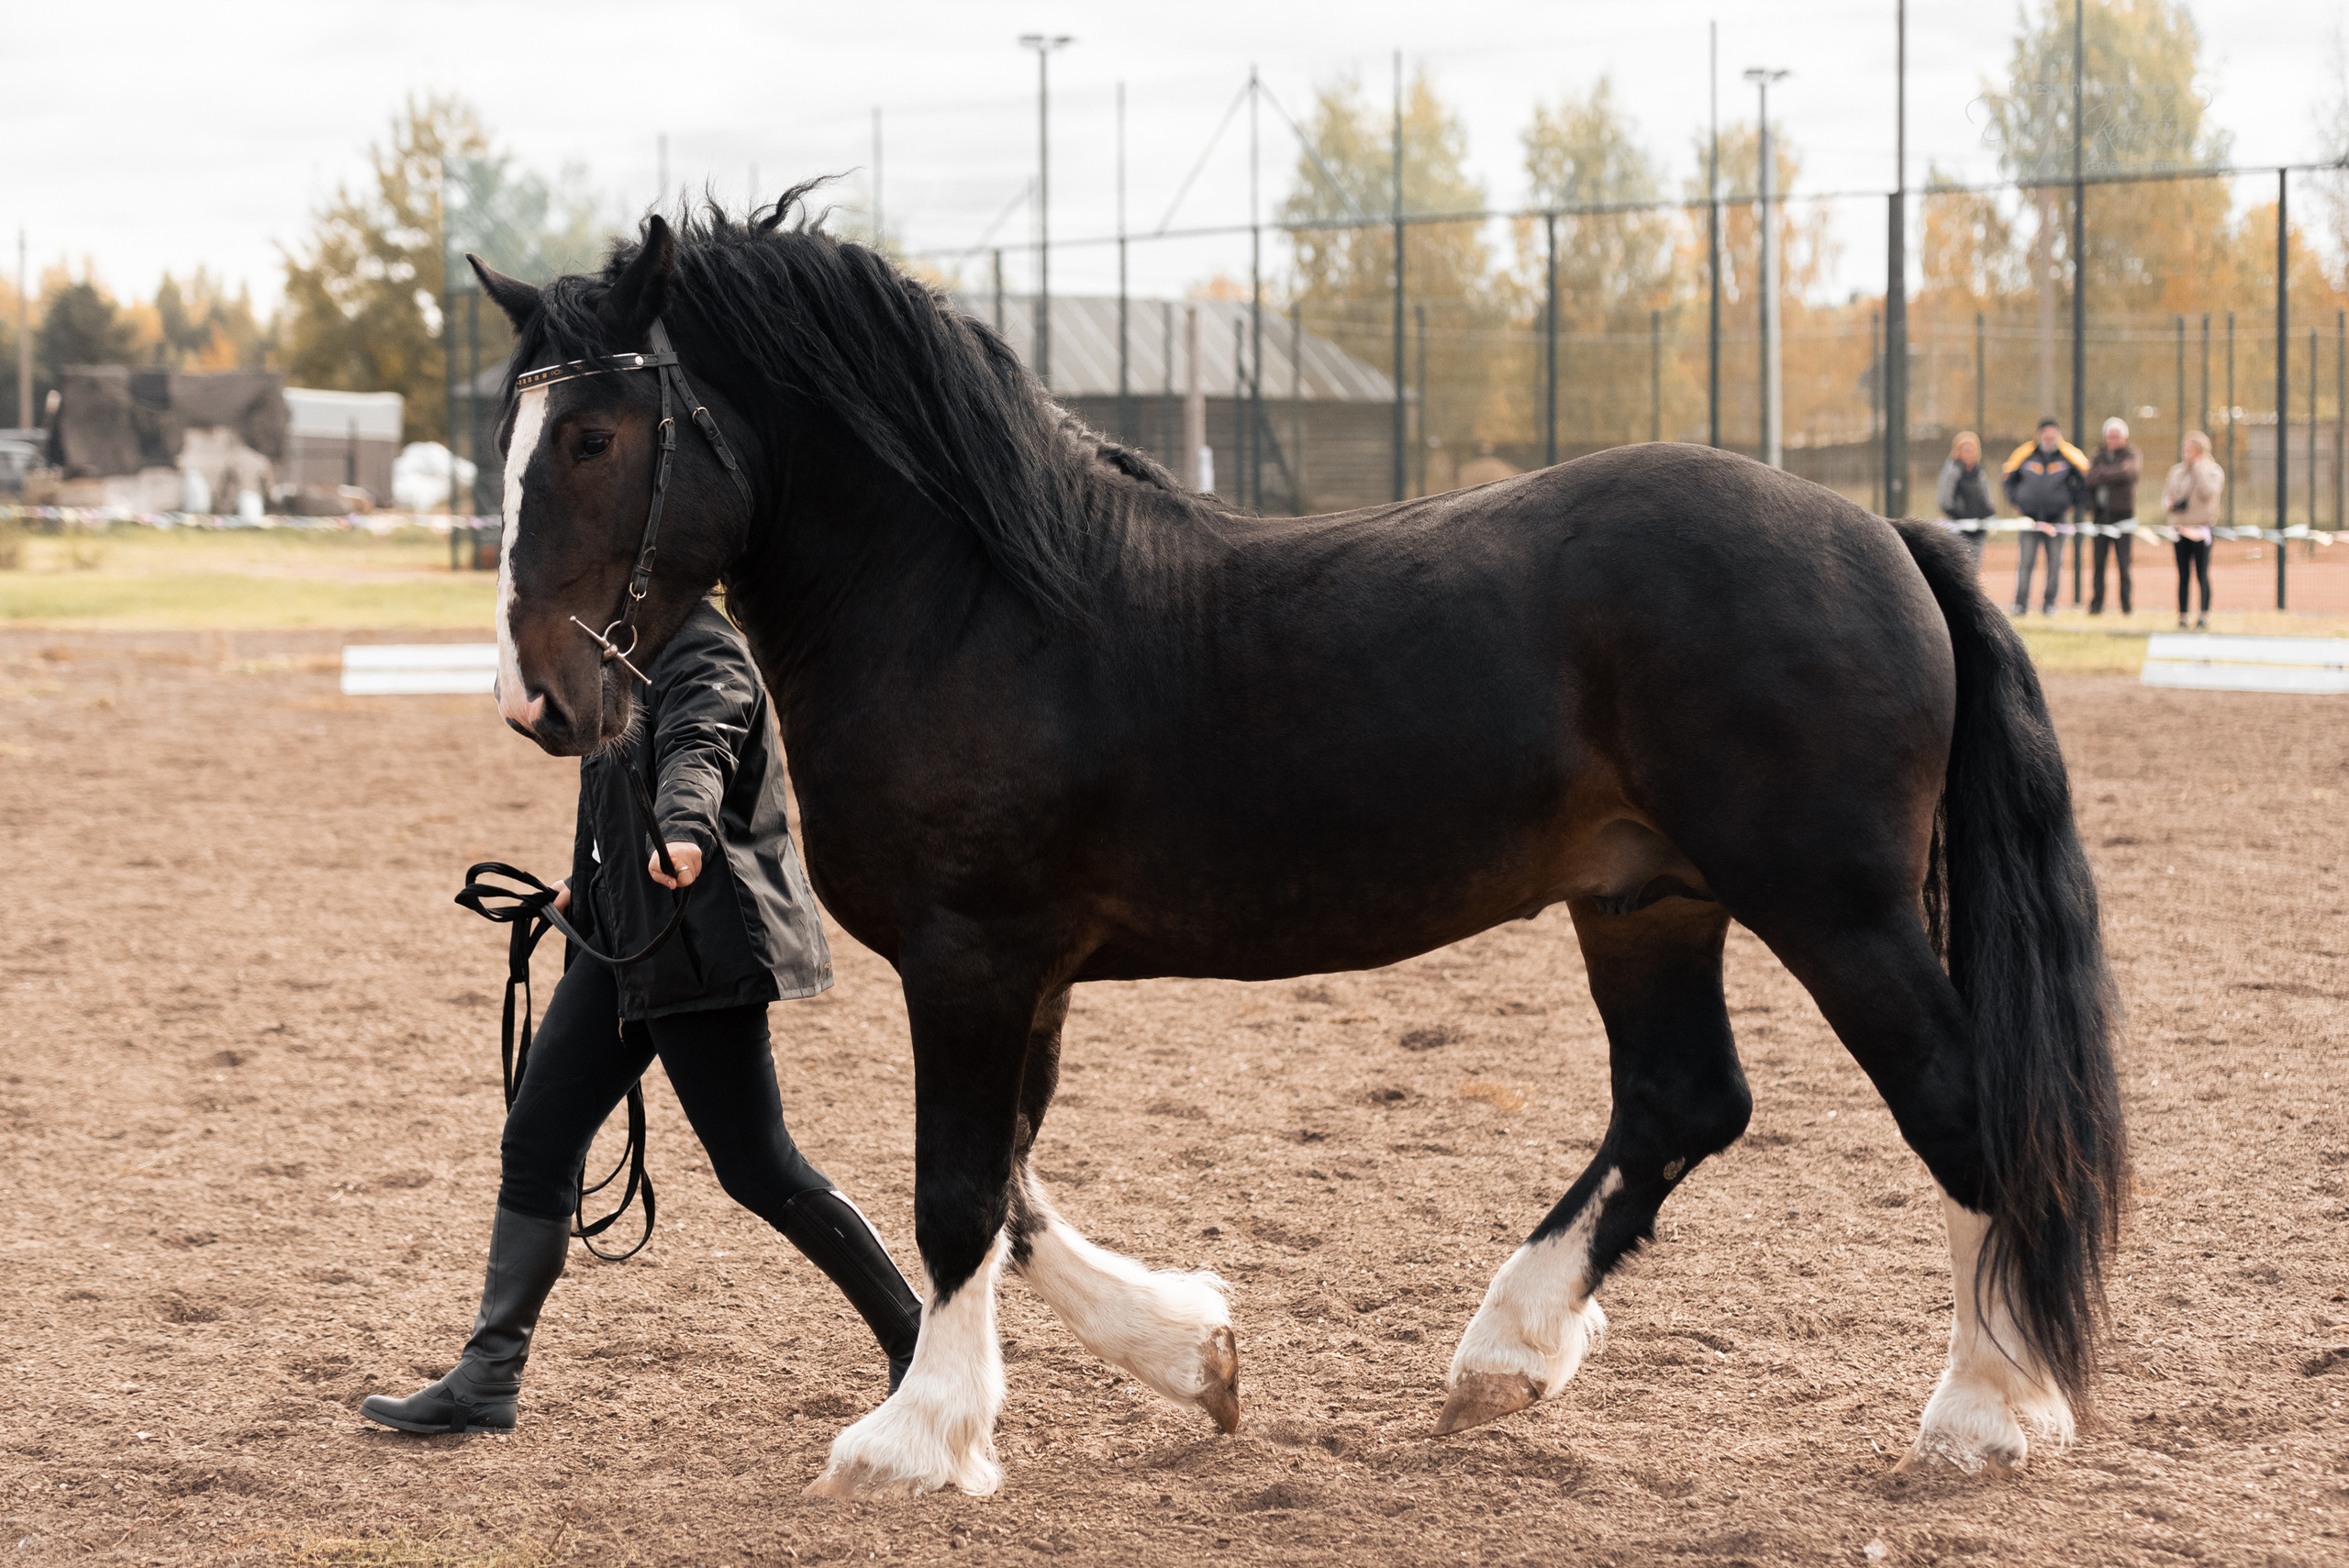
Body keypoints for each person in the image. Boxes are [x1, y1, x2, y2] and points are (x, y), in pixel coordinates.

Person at [361, 597, 922, 1436]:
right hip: (620, 934)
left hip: (698, 941)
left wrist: (686, 832)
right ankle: (487, 1376)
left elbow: (699, 751)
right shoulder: (620, 649)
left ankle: (920, 1338)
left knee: (758, 1167)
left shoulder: (706, 650)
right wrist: (580, 890)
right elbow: (608, 791)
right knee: (538, 1137)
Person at [2001, 417, 2089, 616]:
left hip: (2057, 519)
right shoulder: (2023, 454)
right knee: (2026, 562)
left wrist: (2071, 503)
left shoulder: (2070, 455)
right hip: (2029, 519)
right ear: (2039, 435)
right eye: (2046, 433)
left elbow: (2085, 481)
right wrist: (2017, 502)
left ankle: (2050, 604)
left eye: (2053, 433)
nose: (2049, 437)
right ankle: (2020, 604)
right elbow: (2008, 480)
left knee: (2055, 563)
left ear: (2059, 435)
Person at [2164, 430, 2225, 629]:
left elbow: (2209, 493)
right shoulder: (2176, 471)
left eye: (2189, 448)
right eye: (2184, 447)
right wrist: (2170, 505)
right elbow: (2167, 495)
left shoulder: (2214, 471)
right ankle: (2182, 616)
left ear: (2200, 449)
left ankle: (2203, 615)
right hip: (2180, 527)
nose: (2185, 452)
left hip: (2201, 529)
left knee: (2202, 573)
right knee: (2183, 575)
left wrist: (2199, 467)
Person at [2086, 416, 2142, 616]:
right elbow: (2090, 477)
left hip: (2123, 517)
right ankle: (2096, 606)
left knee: (2124, 566)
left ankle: (2126, 607)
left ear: (2124, 438)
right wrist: (2112, 473)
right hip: (2100, 518)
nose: (2112, 440)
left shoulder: (2132, 454)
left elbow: (2128, 474)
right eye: (2109, 436)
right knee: (2098, 565)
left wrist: (2103, 474)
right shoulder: (2097, 455)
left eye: (2116, 436)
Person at [1935, 430, 1996, 573]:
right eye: (1965, 450)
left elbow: (1986, 497)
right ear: (1958, 451)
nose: (1969, 453)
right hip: (1959, 529)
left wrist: (1989, 515)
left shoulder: (1979, 472)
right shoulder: (1952, 470)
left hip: (1978, 529)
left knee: (1974, 569)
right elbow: (1944, 500)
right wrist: (1961, 517)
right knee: (1959, 569)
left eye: (1972, 450)